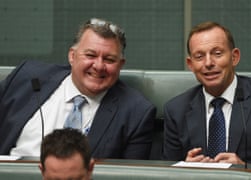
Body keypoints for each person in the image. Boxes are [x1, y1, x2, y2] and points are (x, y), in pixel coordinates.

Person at [0, 18, 156, 159]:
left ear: (120, 65)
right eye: (90, 55)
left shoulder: (136, 112)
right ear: (72, 56)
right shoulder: (27, 77)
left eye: (109, 59)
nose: (99, 66)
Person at [162, 21, 251, 166]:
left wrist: (249, 170)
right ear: (190, 65)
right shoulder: (176, 110)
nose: (208, 63)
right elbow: (166, 170)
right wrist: (184, 168)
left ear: (234, 57)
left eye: (217, 53)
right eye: (199, 56)